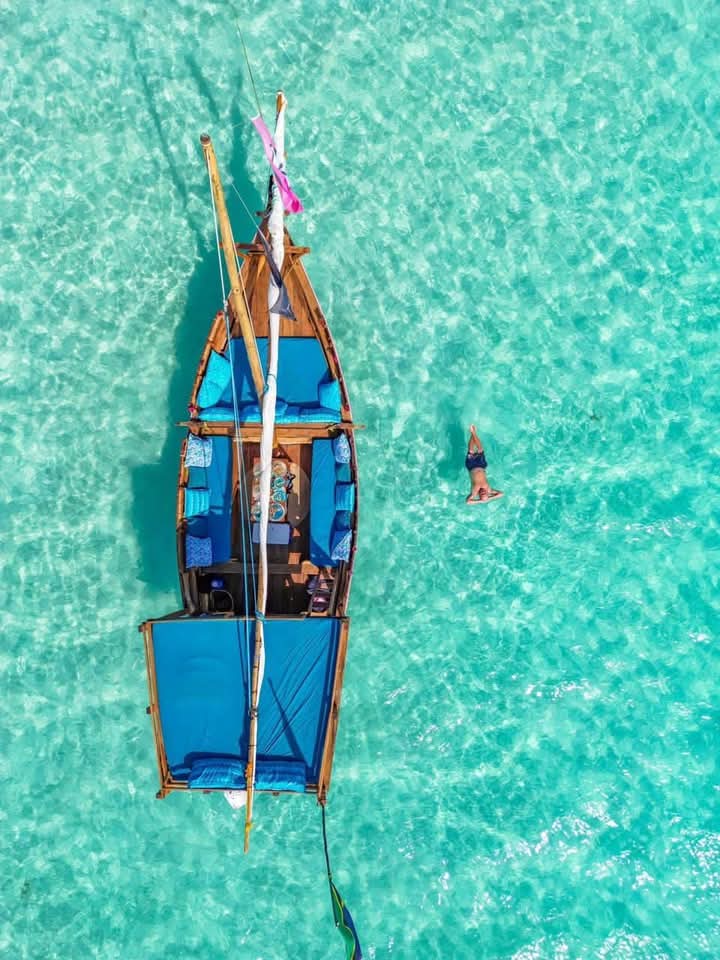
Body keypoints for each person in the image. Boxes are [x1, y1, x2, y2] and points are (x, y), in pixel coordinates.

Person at [465, 425, 503, 504]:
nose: (483, 492)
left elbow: (468, 502)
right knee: (480, 449)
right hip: (482, 466)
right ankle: (473, 433)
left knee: (471, 450)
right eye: (484, 493)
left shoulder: (474, 493)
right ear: (487, 493)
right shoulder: (489, 489)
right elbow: (501, 494)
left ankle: (473, 433)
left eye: (481, 494)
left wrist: (480, 501)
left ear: (479, 495)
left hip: (471, 466)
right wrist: (489, 499)